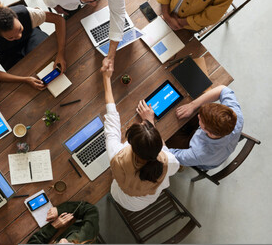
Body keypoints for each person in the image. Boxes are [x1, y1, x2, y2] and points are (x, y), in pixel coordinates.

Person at [101, 64, 179, 211]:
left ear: (131, 145)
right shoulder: (169, 161)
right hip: (141, 204)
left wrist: (106, 79)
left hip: (121, 196)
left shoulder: (117, 156)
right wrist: (150, 123)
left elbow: (111, 121)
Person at [0, 0, 66, 90]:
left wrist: (61, 53)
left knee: (49, 57)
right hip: (8, 52)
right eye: (11, 37)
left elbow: (59, 20)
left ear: (16, 17)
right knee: (24, 76)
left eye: (20, 29)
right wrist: (25, 80)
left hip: (30, 37)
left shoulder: (27, 13)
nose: (19, 36)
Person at [168, 85, 244, 170]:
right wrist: (192, 105)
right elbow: (223, 89)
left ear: (209, 132)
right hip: (217, 147)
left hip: (199, 156)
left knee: (164, 138)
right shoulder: (235, 116)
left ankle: (181, 168)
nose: (198, 116)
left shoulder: (199, 154)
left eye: (200, 119)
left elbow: (169, 156)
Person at [27, 201, 99, 244]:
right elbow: (91, 210)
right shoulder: (86, 237)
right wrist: (60, 210)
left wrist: (53, 227)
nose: (62, 241)